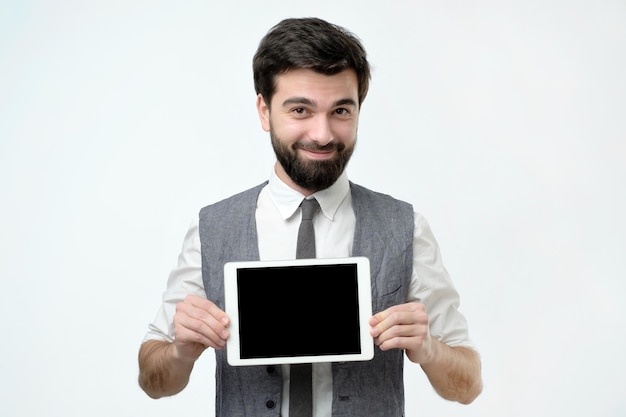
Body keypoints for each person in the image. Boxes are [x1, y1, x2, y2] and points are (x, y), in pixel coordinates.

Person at [138, 17, 482, 417]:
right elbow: (153, 381)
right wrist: (180, 351)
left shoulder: (405, 228)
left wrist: (428, 349)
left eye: (340, 110)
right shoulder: (211, 229)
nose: (322, 133)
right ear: (264, 111)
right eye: (300, 109)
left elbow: (468, 386)